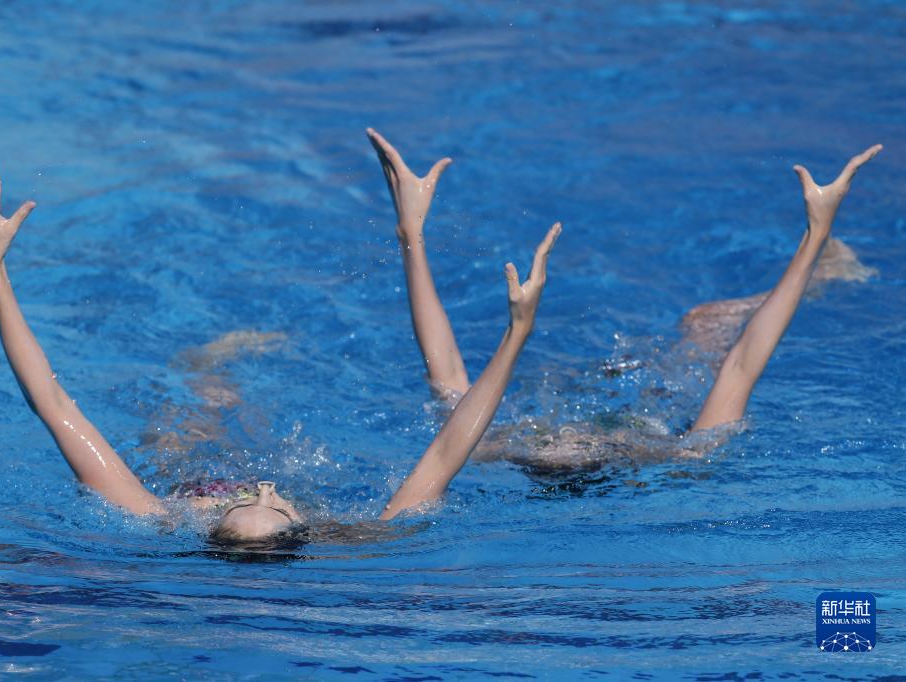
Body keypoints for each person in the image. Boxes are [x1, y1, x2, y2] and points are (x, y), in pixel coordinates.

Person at [0, 151, 561, 544]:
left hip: (187, 472)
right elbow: (447, 448)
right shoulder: (365, 535)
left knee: (197, 411)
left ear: (204, 529)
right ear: (306, 528)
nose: (264, 487)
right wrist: (516, 334)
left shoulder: (154, 516)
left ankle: (209, 367)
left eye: (236, 505)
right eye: (277, 506)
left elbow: (53, 404)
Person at [367, 128, 882, 465]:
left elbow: (446, 368)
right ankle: (829, 273)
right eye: (574, 444)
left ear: (534, 451)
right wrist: (816, 237)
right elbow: (745, 363)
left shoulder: (490, 447)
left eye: (549, 444)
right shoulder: (684, 454)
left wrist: (410, 233)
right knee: (701, 322)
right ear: (612, 455)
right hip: (658, 401)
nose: (561, 437)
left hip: (604, 392)